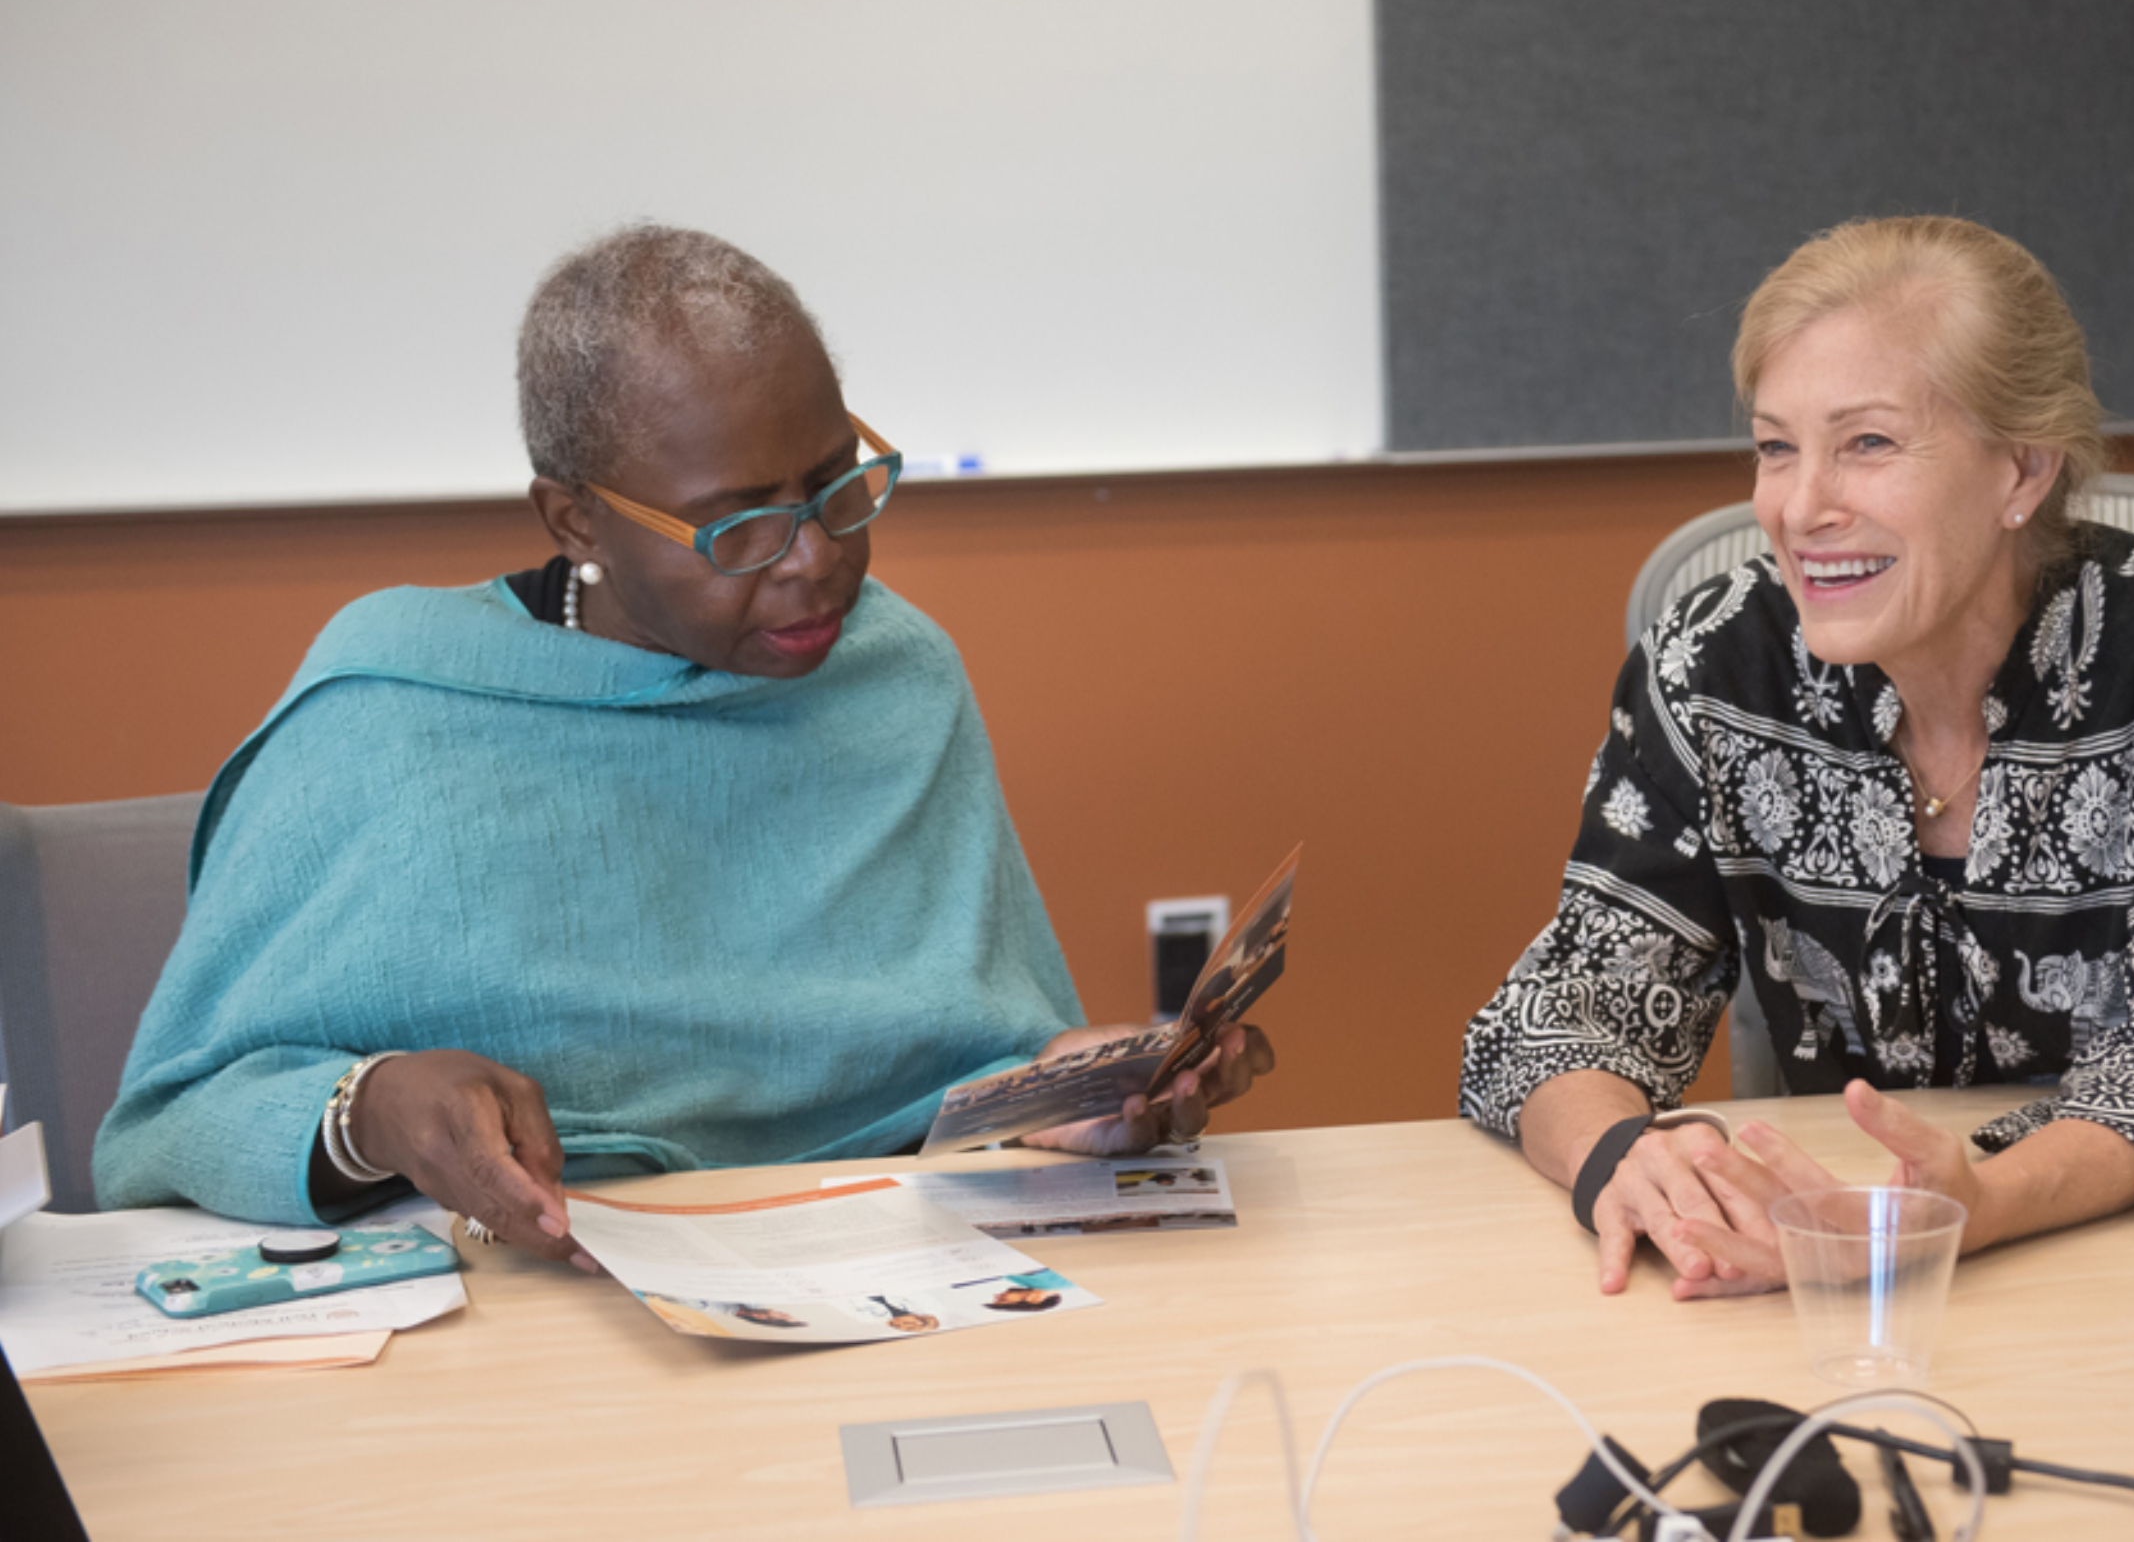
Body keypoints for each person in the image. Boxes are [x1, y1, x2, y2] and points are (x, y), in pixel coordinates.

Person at [95, 225, 1273, 1264]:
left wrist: (1076, 1090)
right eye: (742, 526)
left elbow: (960, 1060)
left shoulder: (897, 672)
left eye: (836, 488)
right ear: (576, 518)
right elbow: (180, 1113)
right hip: (516, 1304)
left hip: (897, 1267)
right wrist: (372, 1105)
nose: (815, 558)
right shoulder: (390, 706)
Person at [1458, 215, 2134, 1299]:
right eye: (1775, 444)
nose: (1799, 508)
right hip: (1853, 1266)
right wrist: (1621, 1156)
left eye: (1869, 444)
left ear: (2021, 469)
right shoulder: (1713, 662)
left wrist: (1975, 1206)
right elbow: (1563, 1008)